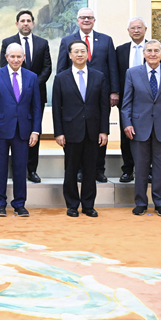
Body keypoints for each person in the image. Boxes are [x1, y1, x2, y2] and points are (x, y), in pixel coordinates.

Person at [56, 7, 118, 183]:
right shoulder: (67, 41)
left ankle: (98, 169)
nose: (86, 20)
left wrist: (114, 91)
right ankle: (78, 170)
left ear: (94, 20)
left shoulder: (106, 40)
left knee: (98, 131)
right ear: (77, 20)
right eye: (83, 17)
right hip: (75, 97)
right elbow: (61, 68)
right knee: (76, 132)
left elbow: (112, 66)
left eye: (89, 17)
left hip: (99, 95)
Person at [121, 40, 161, 217]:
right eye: (149, 51)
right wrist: (127, 123)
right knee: (140, 167)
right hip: (139, 127)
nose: (152, 54)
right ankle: (140, 203)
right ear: (144, 54)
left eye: (156, 51)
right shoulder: (132, 73)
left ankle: (160, 203)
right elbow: (126, 102)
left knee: (160, 168)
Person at [52, 40, 110, 218]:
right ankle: (72, 205)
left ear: (87, 54)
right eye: (76, 51)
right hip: (70, 131)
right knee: (71, 170)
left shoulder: (98, 76)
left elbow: (104, 107)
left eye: (83, 51)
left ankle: (88, 205)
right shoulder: (61, 78)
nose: (79, 54)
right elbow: (56, 108)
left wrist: (104, 131)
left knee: (90, 170)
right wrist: (59, 132)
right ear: (70, 55)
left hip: (93, 131)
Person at [0, 43, 42, 217]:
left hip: (23, 130)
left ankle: (19, 204)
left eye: (19, 57)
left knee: (20, 168)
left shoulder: (32, 77)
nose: (16, 60)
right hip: (0, 130)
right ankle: (0, 203)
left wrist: (35, 131)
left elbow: (36, 106)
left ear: (24, 58)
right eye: (12, 56)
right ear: (6, 57)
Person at [0, 10, 52, 183]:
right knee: (13, 131)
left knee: (33, 132)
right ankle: (15, 168)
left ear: (33, 24)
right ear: (17, 24)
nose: (26, 23)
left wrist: (31, 86)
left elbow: (47, 68)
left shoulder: (43, 43)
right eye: (22, 21)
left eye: (29, 20)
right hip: (12, 98)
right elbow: (3, 68)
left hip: (36, 96)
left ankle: (31, 169)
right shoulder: (7, 43)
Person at [115, 17, 161, 183]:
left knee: (150, 135)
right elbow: (115, 73)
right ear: (128, 31)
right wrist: (115, 93)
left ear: (145, 29)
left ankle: (148, 170)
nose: (136, 30)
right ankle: (128, 169)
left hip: (150, 101)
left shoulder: (154, 49)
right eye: (133, 28)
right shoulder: (120, 50)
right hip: (127, 99)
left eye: (139, 27)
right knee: (127, 134)